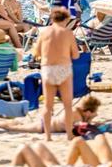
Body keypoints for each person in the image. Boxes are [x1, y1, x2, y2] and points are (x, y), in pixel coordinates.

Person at [34, 7, 80, 140]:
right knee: (67, 105)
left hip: (48, 68)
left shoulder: (44, 32)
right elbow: (76, 55)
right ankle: (69, 135)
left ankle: (48, 136)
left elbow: (36, 53)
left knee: (48, 106)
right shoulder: (67, 33)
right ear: (65, 19)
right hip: (63, 68)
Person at [0, 95, 101, 135]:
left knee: (19, 124)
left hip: (45, 122)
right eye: (93, 113)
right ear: (88, 111)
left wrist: (92, 123)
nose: (94, 115)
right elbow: (73, 129)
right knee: (16, 128)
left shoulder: (78, 113)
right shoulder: (74, 114)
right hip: (43, 126)